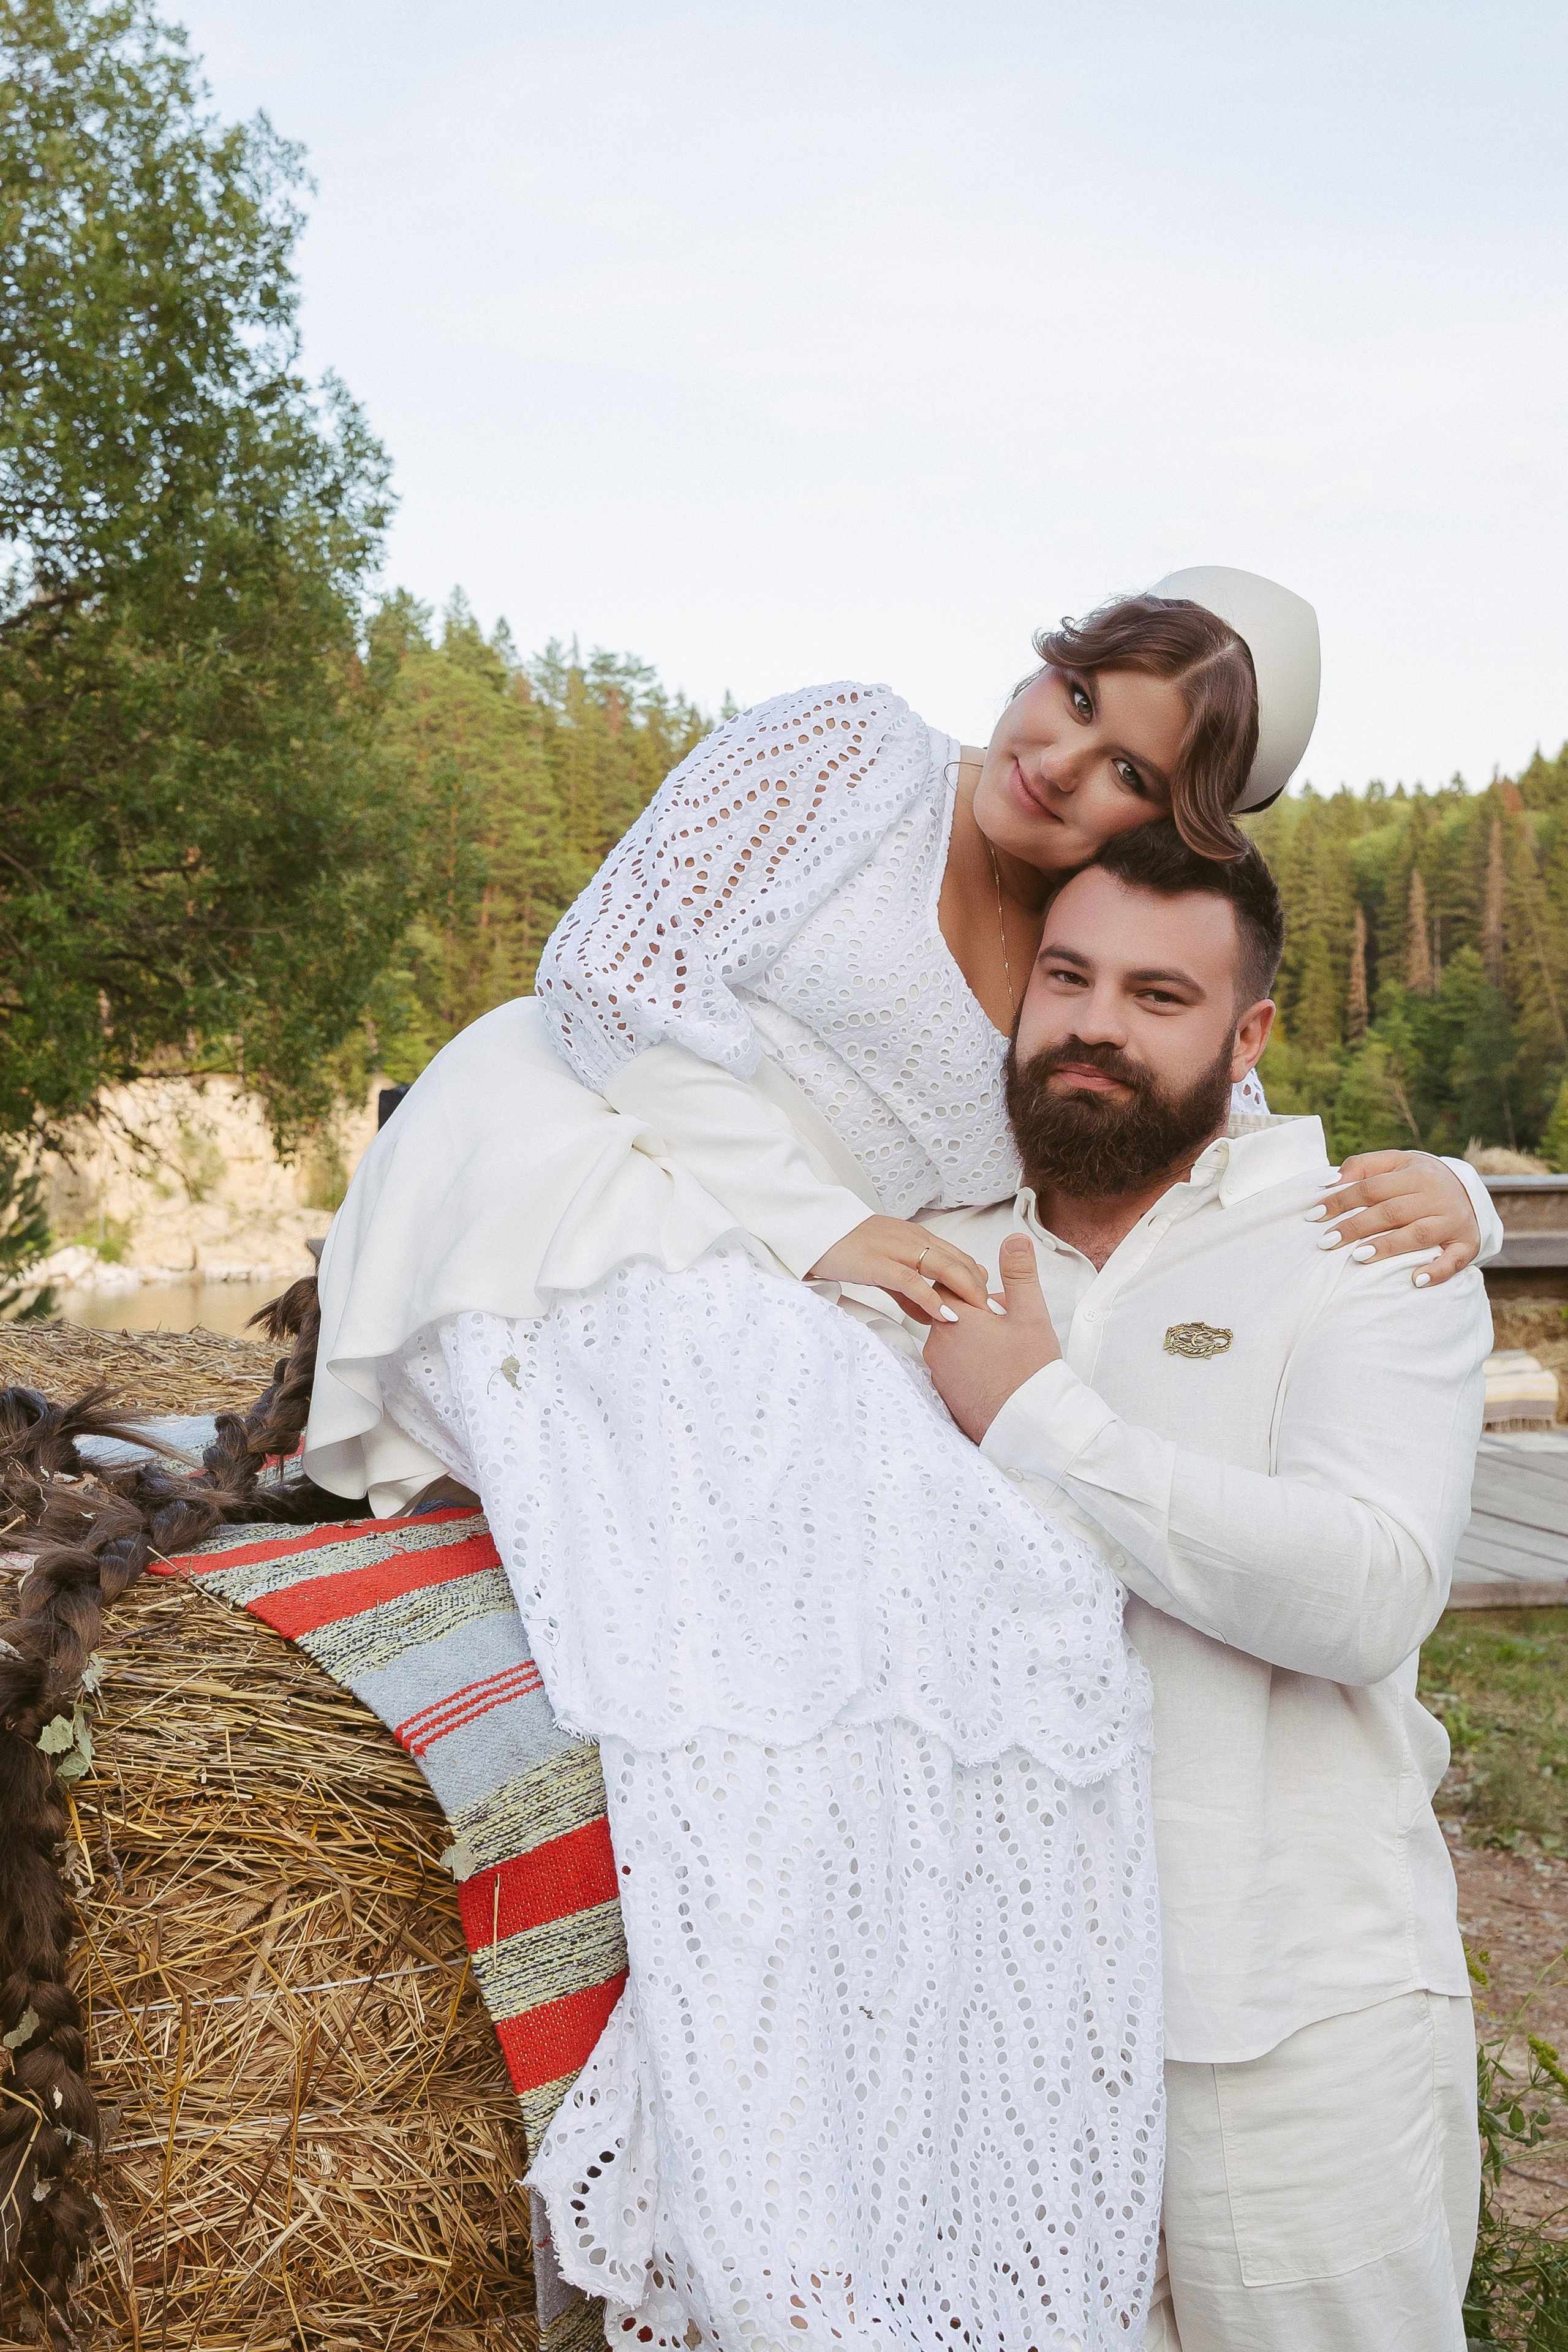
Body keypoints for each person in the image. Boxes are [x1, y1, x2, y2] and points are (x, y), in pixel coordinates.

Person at [300, 568, 1497, 2351]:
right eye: (1070, 691)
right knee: (775, 1574)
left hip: (809, 1270)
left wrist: (1463, 1194)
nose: (1054, 754)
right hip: (615, 1159)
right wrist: (824, 1228)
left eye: (1118, 769)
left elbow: (1227, 1131)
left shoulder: (1099, 978)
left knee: (954, 1563)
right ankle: (773, 2166)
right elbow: (606, 984)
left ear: (1178, 825)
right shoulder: (853, 754)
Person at [918, 822, 1490, 2351]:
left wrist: (1037, 1417)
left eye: (1158, 995)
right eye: (1067, 977)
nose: (1095, 1024)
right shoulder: (931, 1263)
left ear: (1245, 1037)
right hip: (987, 2034)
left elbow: (1367, 1589)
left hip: (1284, 2016)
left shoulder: (1364, 1252)